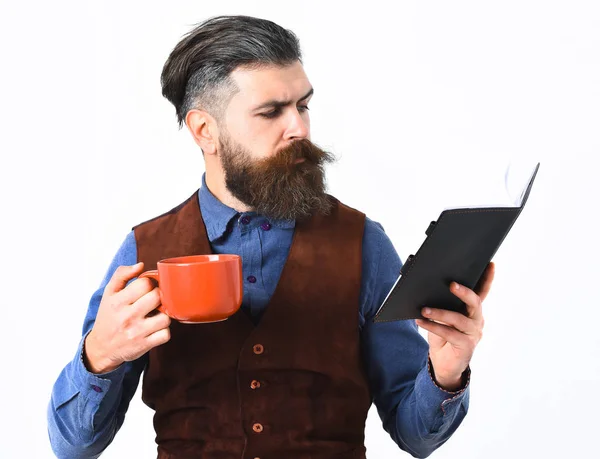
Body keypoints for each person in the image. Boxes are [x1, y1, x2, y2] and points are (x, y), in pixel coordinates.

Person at [47, 15, 494, 459]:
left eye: (302, 105)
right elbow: (73, 448)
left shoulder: (362, 244)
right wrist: (99, 356)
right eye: (271, 111)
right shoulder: (146, 251)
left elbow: (416, 436)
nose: (298, 127)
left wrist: (446, 371)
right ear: (206, 131)